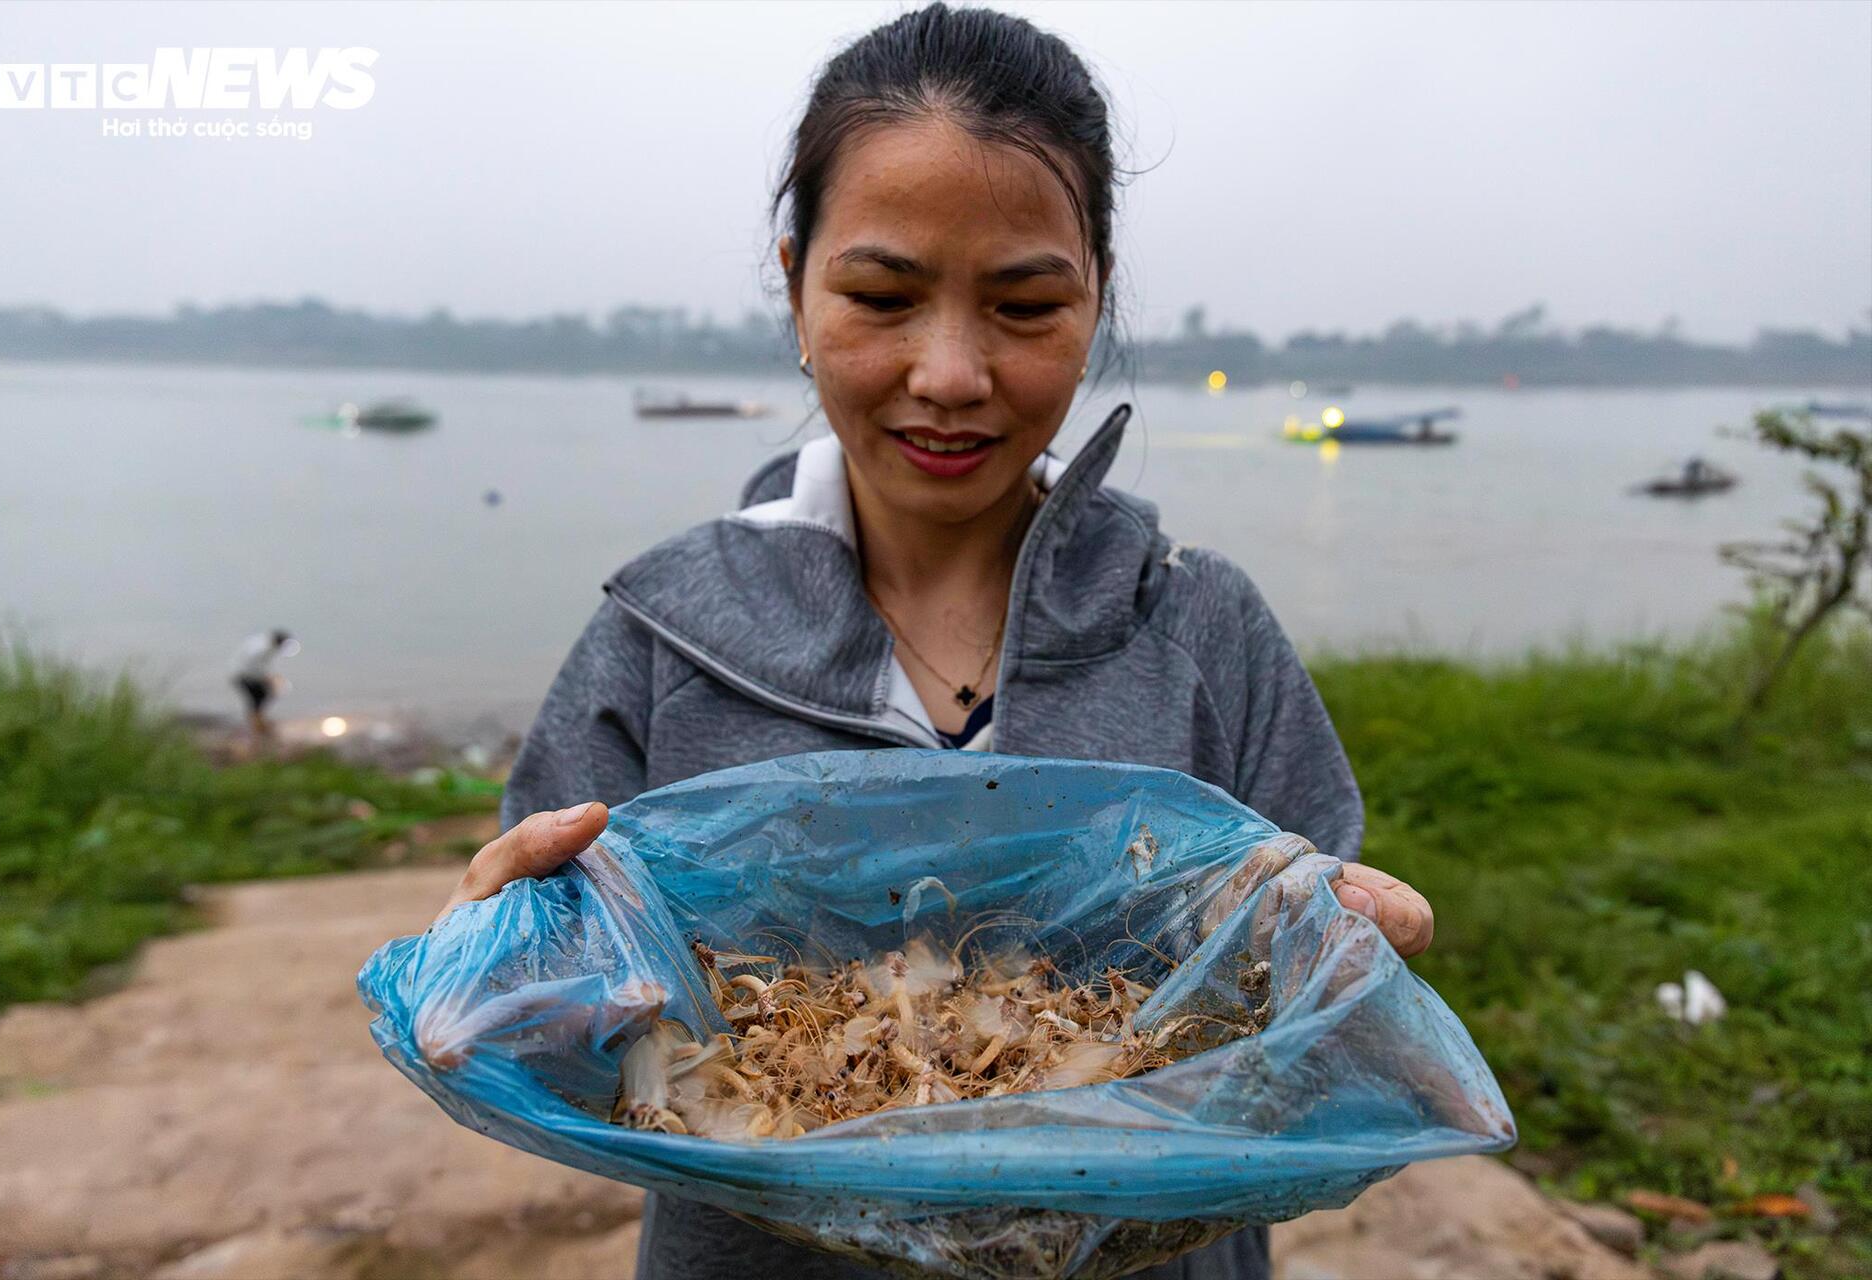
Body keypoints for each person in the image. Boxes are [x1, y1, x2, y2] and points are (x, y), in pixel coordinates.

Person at [438, 5, 1434, 1276]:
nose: (952, 373)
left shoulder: (1197, 630)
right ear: (794, 281)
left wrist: (1346, 974)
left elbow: (1307, 1016)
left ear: (1096, 302)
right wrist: (494, 956)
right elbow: (561, 1014)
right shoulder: (664, 634)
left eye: (1024, 305)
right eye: (881, 293)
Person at [231, 628, 297, 744]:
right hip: (245, 676)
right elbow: (251, 666)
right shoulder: (262, 650)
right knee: (259, 699)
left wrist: (269, 677)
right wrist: (268, 679)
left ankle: (257, 722)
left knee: (260, 698)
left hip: (244, 674)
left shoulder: (262, 643)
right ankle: (257, 726)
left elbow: (260, 665)